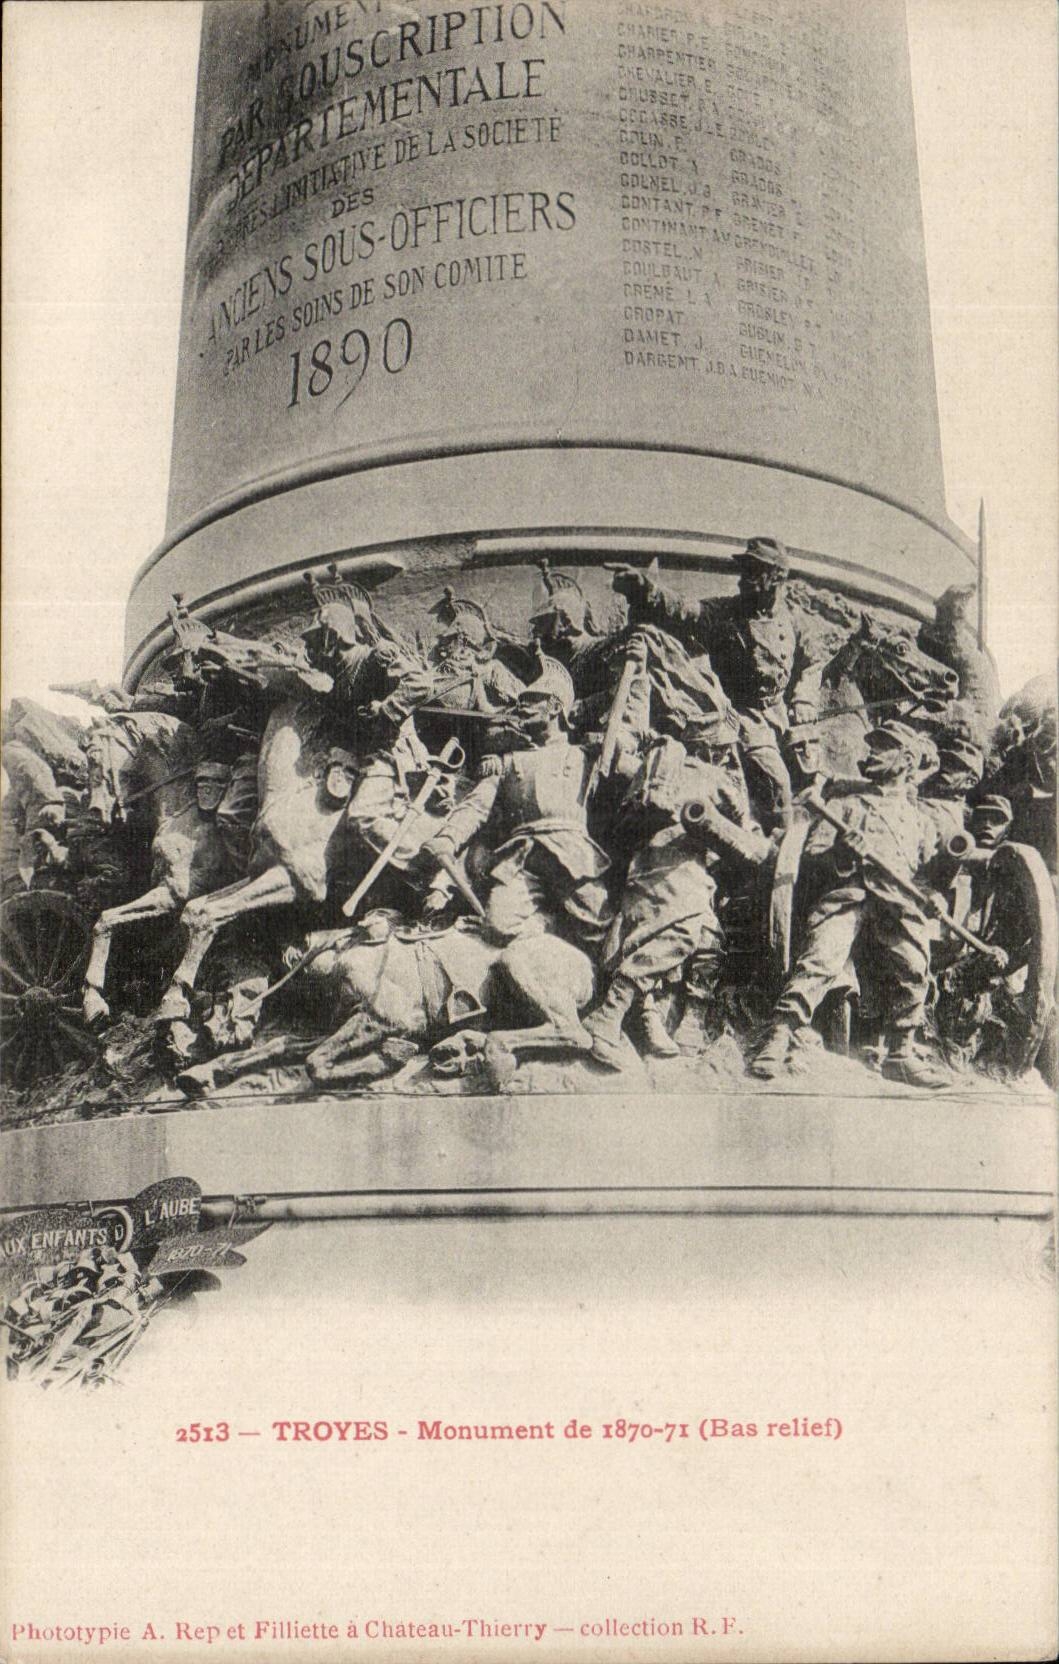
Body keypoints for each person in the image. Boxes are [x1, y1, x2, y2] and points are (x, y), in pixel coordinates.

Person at [751, 719, 953, 1088]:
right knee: (821, 957)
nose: (871, 753)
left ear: (906, 759)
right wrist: (844, 851)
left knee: (914, 967)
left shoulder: (919, 820)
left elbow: (922, 875)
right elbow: (813, 857)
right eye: (872, 746)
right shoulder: (843, 804)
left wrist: (934, 898)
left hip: (897, 903)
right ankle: (779, 1036)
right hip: (849, 897)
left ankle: (900, 1054)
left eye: (882, 747)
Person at [586, 710, 771, 1069]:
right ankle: (610, 1013)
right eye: (722, 750)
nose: (725, 757)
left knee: (706, 937)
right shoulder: (719, 781)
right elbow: (748, 839)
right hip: (681, 871)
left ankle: (671, 1019)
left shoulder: (652, 769)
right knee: (685, 936)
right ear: (712, 751)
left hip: (643, 868)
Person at [610, 537, 831, 830]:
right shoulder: (727, 612)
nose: (745, 580)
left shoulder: (793, 621)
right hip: (740, 717)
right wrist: (645, 588)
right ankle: (777, 847)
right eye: (745, 571)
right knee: (775, 779)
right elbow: (684, 609)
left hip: (779, 715)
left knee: (815, 771)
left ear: (777, 577)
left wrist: (804, 698)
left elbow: (814, 659)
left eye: (755, 572)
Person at [422, 653, 613, 948]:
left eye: (529, 701)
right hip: (521, 858)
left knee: (598, 929)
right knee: (497, 926)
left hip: (573, 857)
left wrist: (636, 674)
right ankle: (544, 925)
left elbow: (628, 726)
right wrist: (448, 838)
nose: (520, 709)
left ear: (554, 707)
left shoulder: (586, 756)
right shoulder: (507, 763)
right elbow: (475, 807)